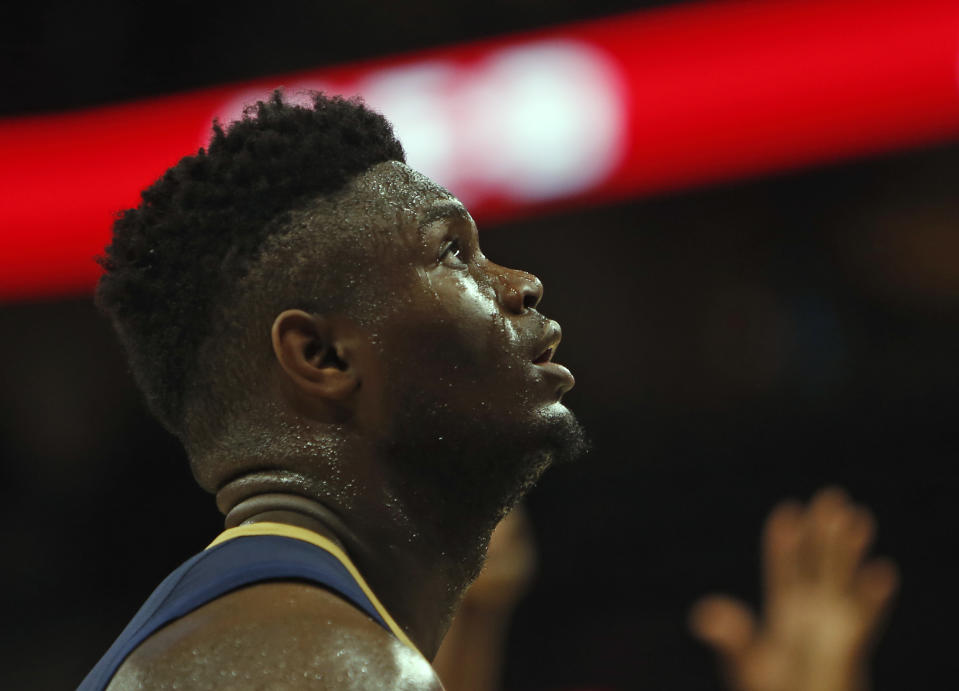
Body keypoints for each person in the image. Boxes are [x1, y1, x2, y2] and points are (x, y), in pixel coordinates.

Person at [80, 92, 897, 690]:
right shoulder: (323, 666)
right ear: (321, 353)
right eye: (453, 254)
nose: (522, 282)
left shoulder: (268, 638)